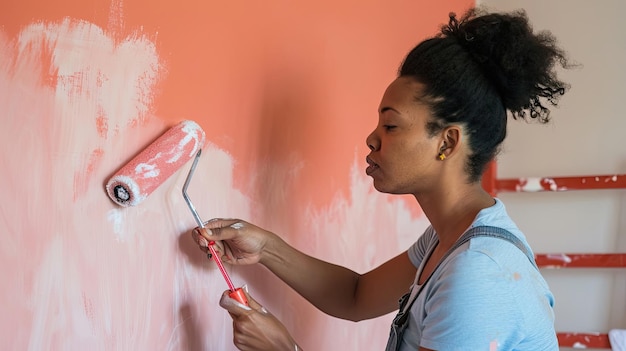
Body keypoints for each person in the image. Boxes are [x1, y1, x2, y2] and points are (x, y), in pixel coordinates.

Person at [191, 7, 570, 351]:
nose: (372, 139)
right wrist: (265, 247)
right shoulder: (449, 239)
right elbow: (356, 296)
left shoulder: (478, 273)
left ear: (447, 141)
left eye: (390, 125)